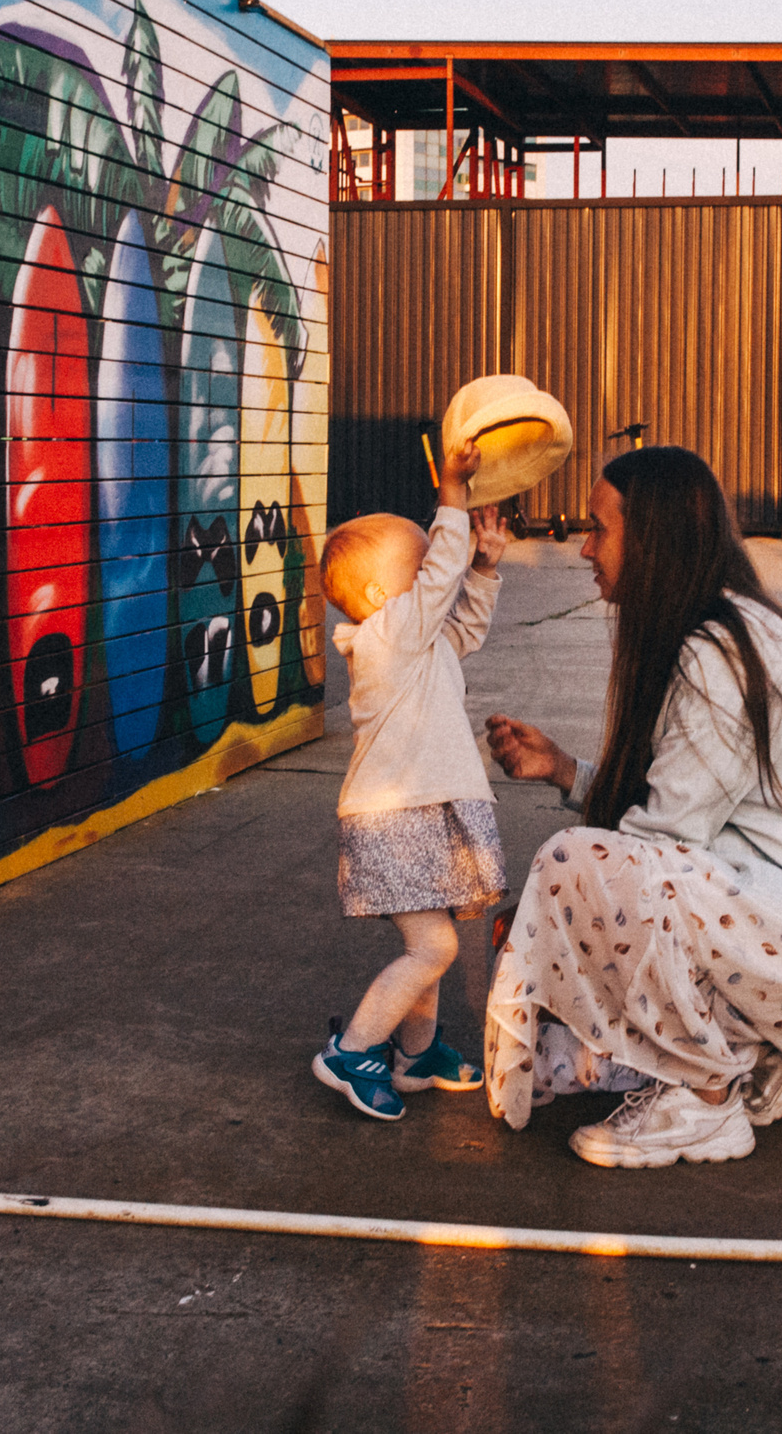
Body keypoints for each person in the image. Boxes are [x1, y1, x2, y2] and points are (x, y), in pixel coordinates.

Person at [478, 447, 782, 1169]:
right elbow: (683, 817)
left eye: (599, 528)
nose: (583, 548)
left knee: (566, 866)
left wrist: (543, 917)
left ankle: (703, 1099)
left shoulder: (715, 653)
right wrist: (566, 770)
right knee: (567, 1017)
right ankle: (745, 1055)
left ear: (652, 538)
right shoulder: (729, 629)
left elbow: (656, 847)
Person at [310, 438, 507, 1122]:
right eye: (419, 563)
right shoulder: (387, 638)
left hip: (425, 810)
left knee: (428, 944)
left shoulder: (416, 641)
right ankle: (354, 1048)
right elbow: (438, 583)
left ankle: (416, 1052)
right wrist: (452, 493)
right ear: (375, 595)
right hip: (395, 817)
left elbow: (469, 629)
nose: (434, 570)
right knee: (436, 944)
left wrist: (481, 573)